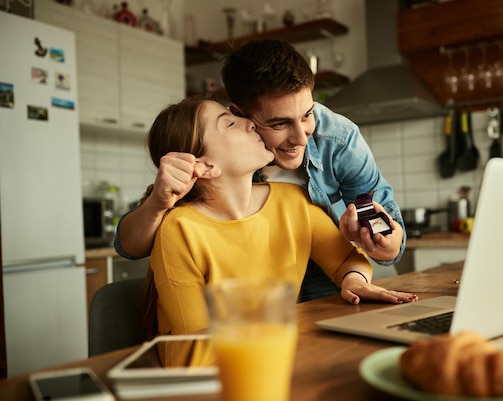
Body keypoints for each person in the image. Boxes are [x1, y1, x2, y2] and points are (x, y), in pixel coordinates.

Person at [116, 39, 406, 302]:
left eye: (307, 114)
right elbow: (129, 246)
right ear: (240, 115)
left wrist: (384, 246)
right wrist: (157, 202)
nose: (302, 138)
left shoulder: (339, 139)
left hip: (329, 277)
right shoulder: (222, 151)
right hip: (247, 294)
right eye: (280, 124)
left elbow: (387, 234)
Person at [141, 96, 417, 365]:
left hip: (273, 358)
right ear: (204, 166)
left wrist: (354, 281)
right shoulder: (179, 230)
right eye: (230, 123)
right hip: (203, 383)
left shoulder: (292, 201)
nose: (249, 124)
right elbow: (197, 348)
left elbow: (346, 259)